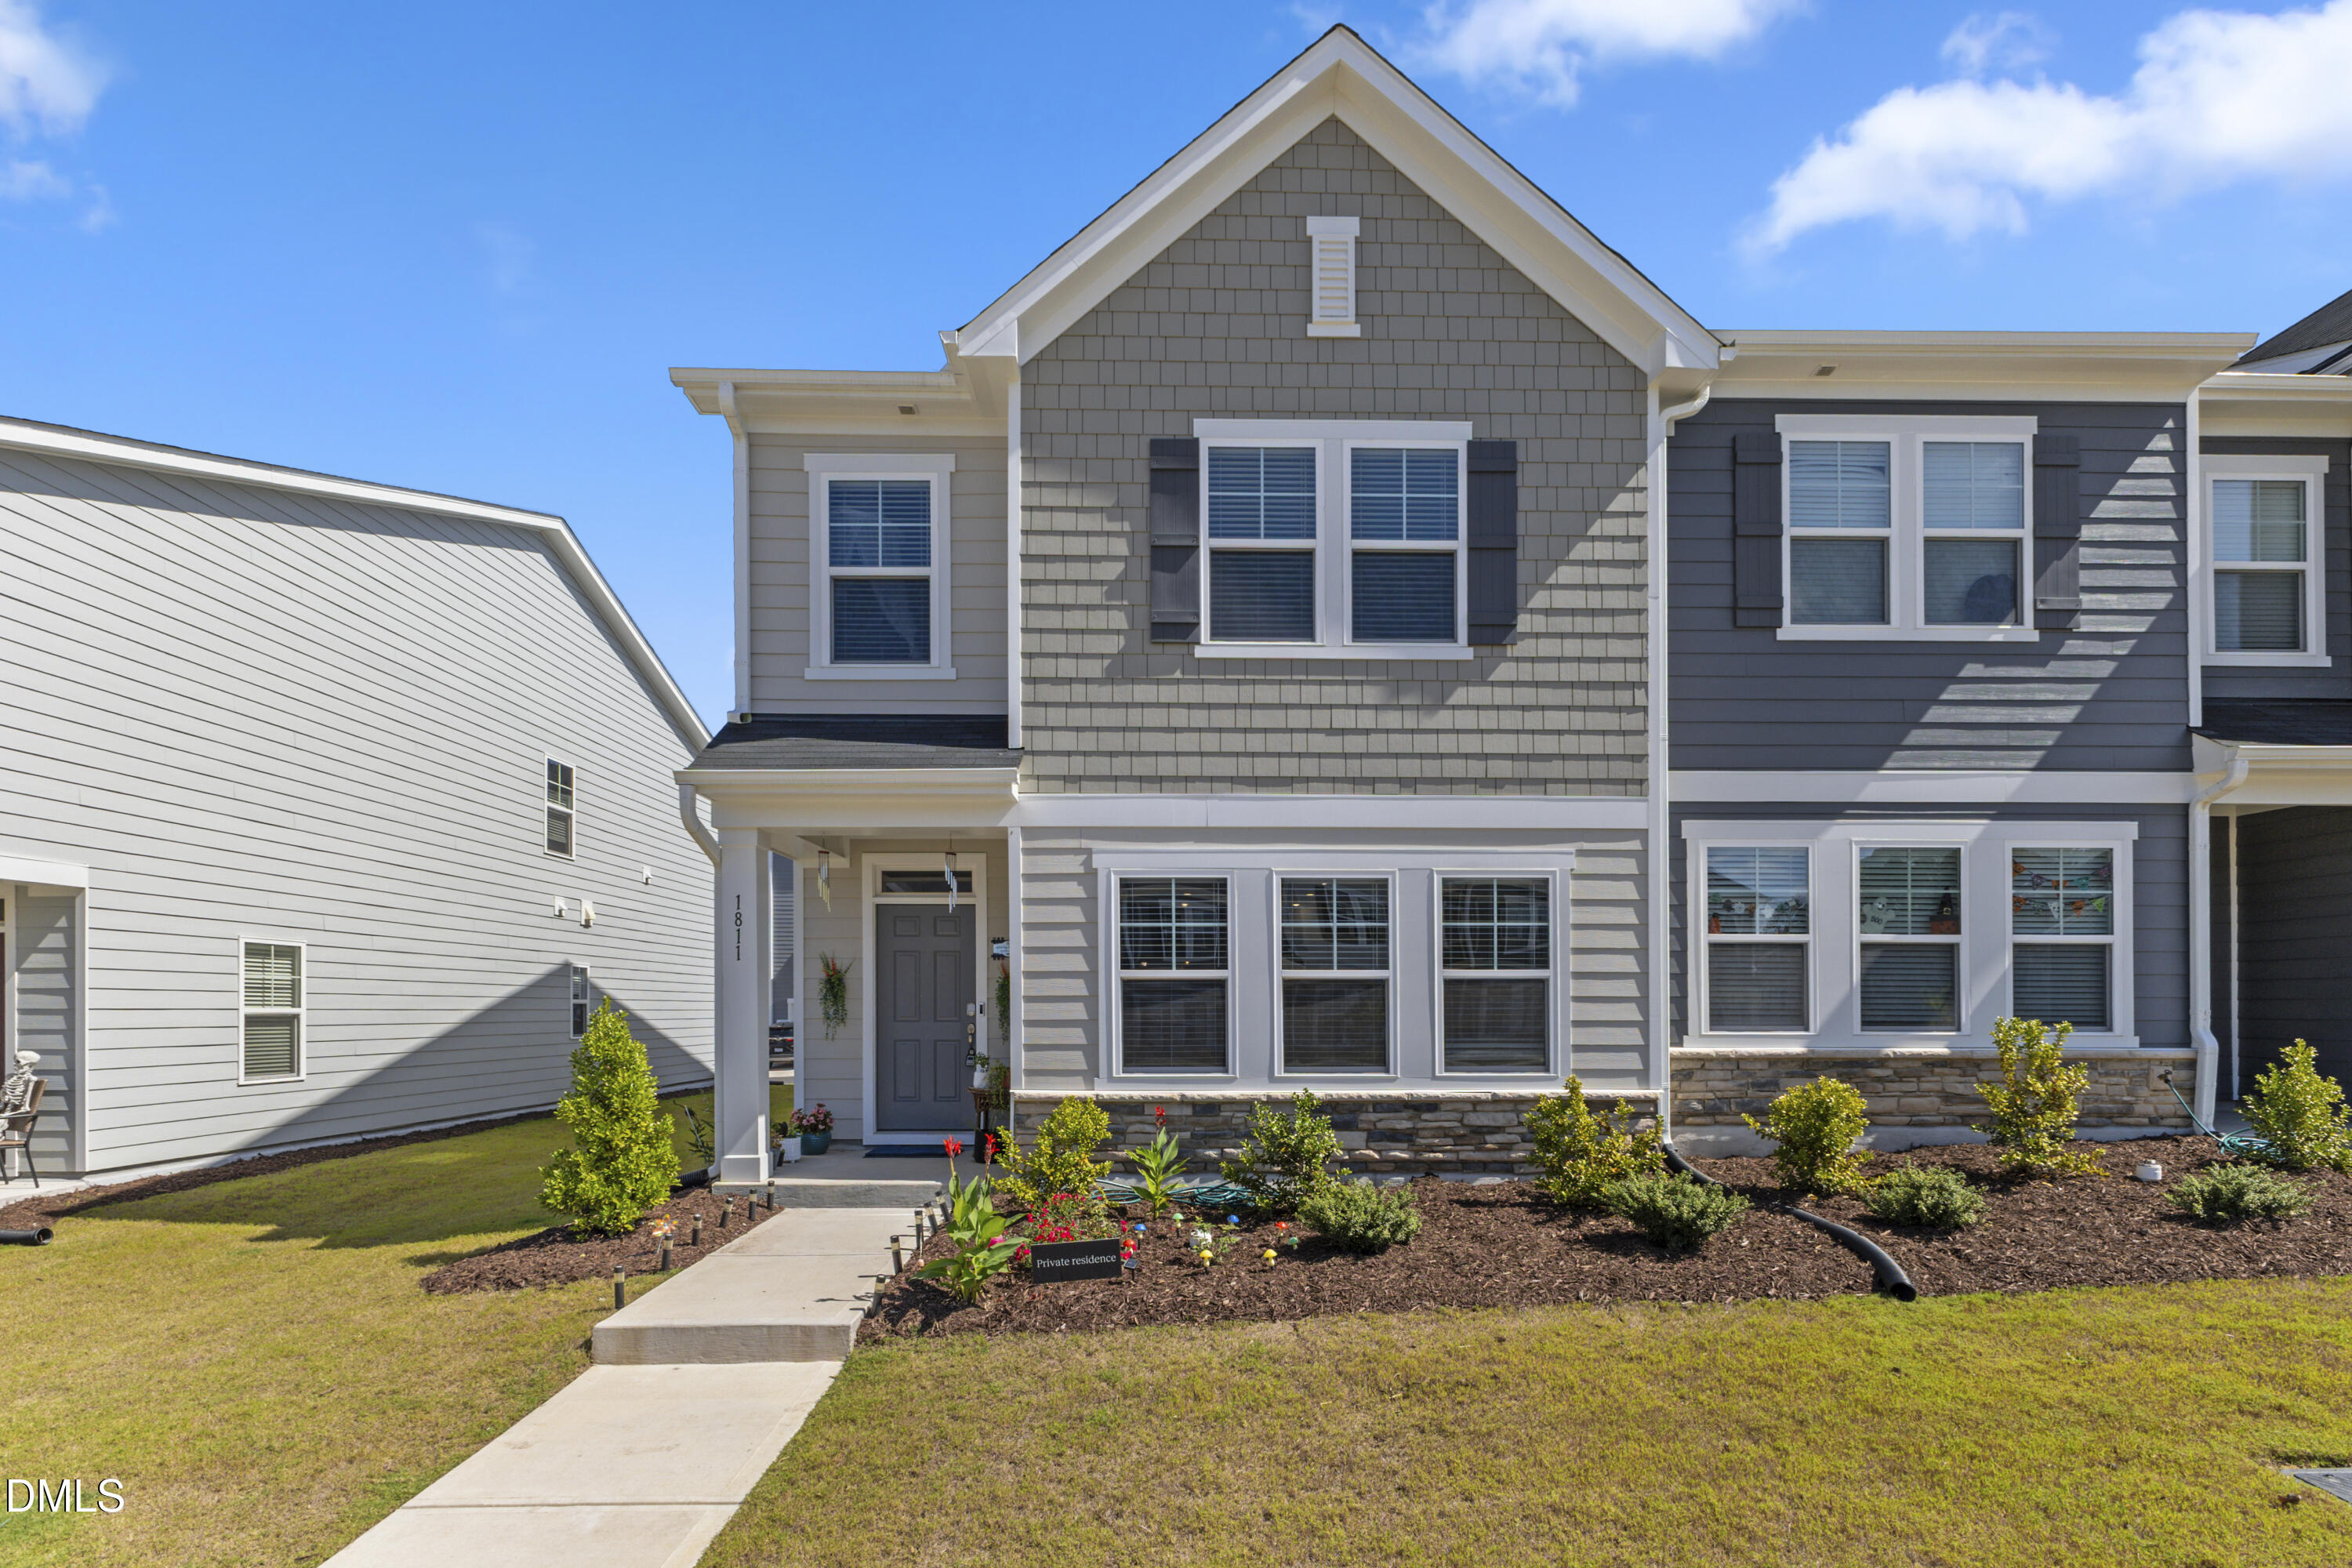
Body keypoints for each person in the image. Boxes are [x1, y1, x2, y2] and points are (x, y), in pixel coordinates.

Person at [0, 1051, 37, 1116]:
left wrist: (5, 1115)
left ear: (29, 1064)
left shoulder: (30, 1079)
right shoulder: (9, 1077)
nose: (14, 1064)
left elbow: (26, 1109)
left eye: (18, 1062)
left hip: (8, 1117)